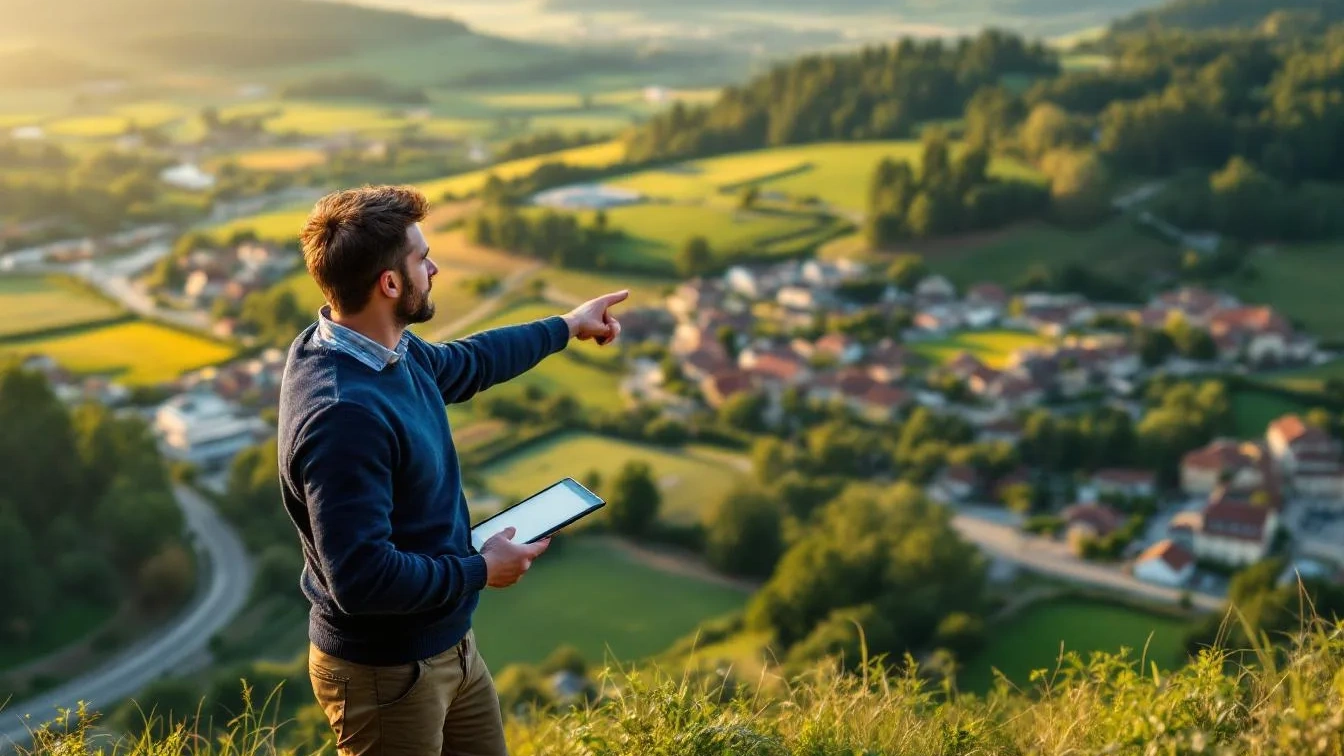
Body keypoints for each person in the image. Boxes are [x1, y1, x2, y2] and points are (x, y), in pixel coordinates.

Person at [275, 185, 627, 756]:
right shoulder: (344, 414)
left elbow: (469, 362)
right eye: (421, 258)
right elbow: (362, 580)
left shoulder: (381, 350)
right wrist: (479, 570)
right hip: (384, 672)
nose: (433, 267)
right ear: (390, 284)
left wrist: (567, 326)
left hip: (447, 643)